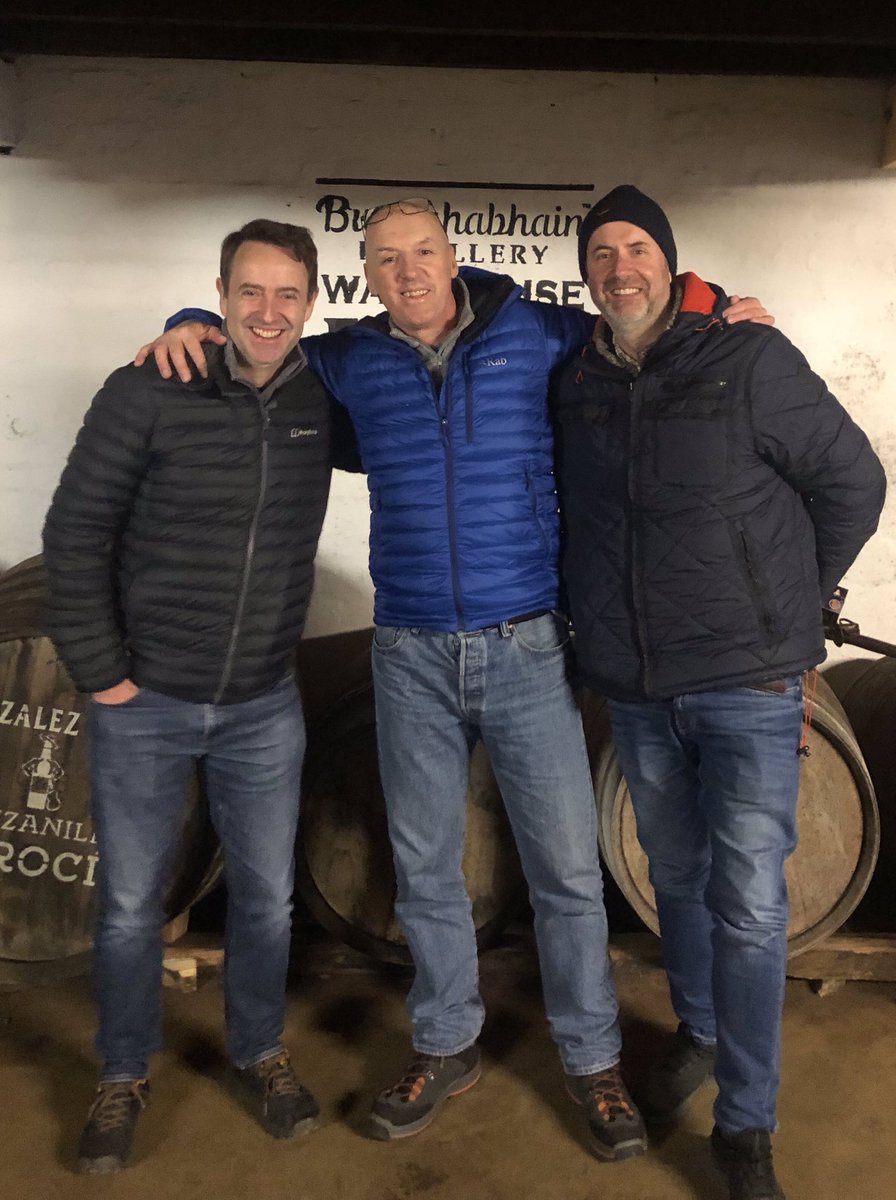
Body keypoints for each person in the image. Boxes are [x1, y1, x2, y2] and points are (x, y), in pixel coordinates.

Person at [140, 198, 768, 1161]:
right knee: (427, 869)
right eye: (385, 259)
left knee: (564, 873)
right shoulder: (351, 361)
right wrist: (192, 320)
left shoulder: (539, 329)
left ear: (452, 254)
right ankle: (446, 1043)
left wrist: (719, 304)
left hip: (526, 647)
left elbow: (638, 314)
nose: (408, 271)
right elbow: (257, 343)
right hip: (410, 653)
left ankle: (593, 1060)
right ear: (367, 274)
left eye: (422, 251)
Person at [551, 185, 886, 1199]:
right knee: (678, 876)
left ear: (668, 259)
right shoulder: (577, 376)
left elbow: (853, 483)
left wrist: (789, 610)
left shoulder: (745, 355)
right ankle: (696, 1029)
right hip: (641, 687)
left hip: (745, 681)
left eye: (635, 249)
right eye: (600, 253)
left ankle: (745, 1121)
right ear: (585, 275)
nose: (619, 268)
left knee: (746, 904)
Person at [42, 219, 359, 1173]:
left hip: (263, 703)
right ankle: (122, 1071)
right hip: (148, 701)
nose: (269, 312)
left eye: (288, 295)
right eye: (249, 292)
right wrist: (106, 674)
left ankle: (260, 1052)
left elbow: (434, 367)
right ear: (219, 297)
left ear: (311, 304)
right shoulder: (150, 388)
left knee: (267, 903)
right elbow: (74, 536)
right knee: (135, 904)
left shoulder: (321, 402)